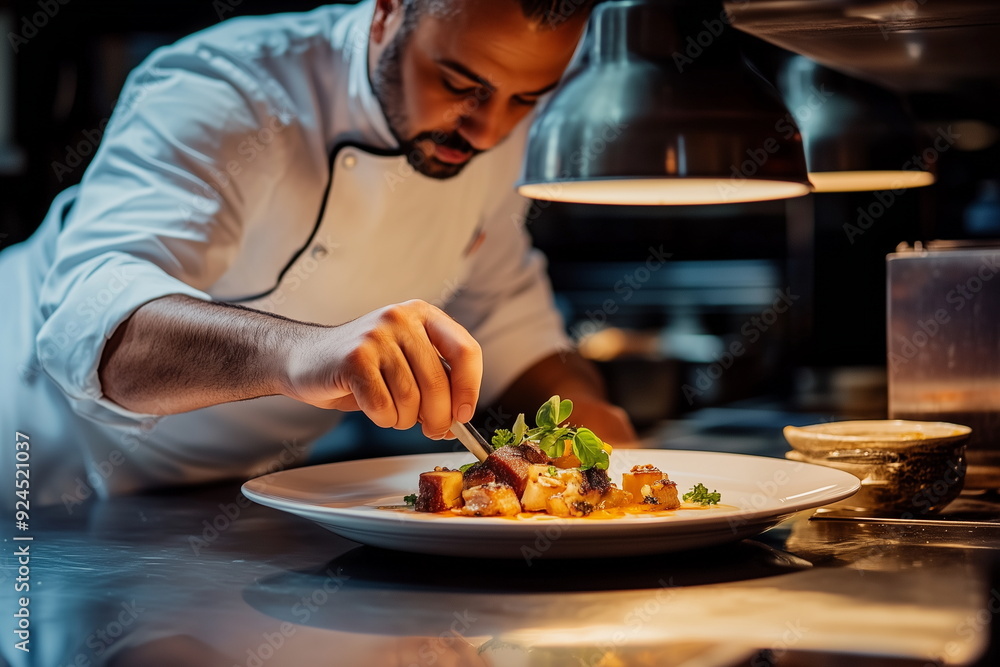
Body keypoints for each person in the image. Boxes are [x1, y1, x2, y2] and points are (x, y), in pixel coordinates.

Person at [1, 0, 636, 507]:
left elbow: (504, 318)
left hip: (225, 503)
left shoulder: (488, 138)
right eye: (456, 83)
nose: (491, 130)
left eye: (527, 99)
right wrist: (304, 352)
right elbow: (92, 328)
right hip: (37, 473)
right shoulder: (226, 89)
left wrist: (596, 438)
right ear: (388, 10)